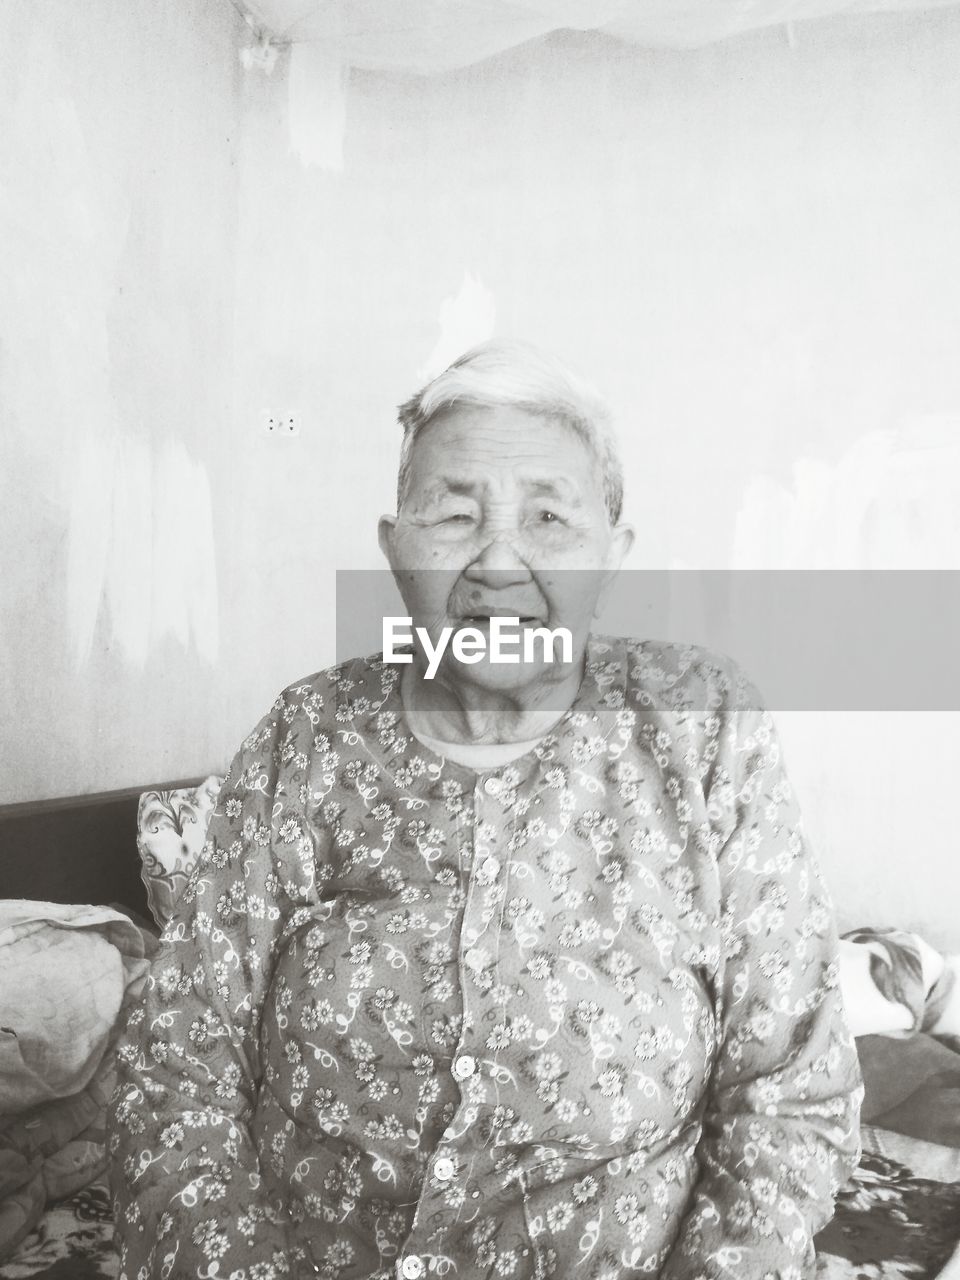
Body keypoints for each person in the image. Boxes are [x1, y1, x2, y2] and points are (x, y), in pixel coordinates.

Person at [109, 340, 862, 1280]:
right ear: (395, 550)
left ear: (610, 556)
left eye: (548, 517)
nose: (499, 562)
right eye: (455, 514)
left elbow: (792, 1093)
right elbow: (177, 1074)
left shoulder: (702, 729)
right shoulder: (305, 736)